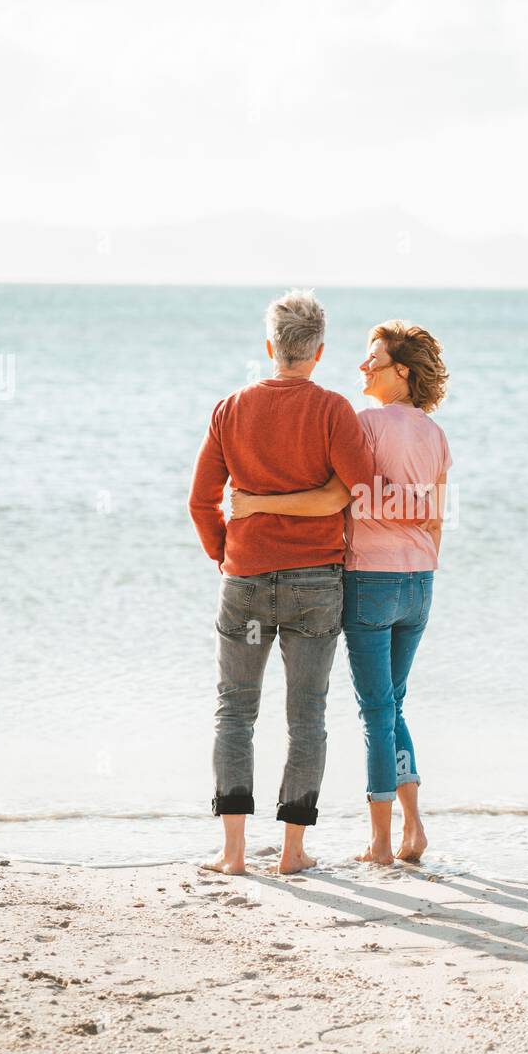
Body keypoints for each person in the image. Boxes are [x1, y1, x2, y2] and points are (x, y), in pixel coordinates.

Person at [231, 321, 451, 865]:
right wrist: (421, 561)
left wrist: (259, 505)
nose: (362, 366)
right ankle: (414, 829)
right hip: (420, 583)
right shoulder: (434, 434)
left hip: (370, 580)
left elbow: (341, 497)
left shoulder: (366, 424)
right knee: (395, 705)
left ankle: (380, 840)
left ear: (401, 371)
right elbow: (437, 518)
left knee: (376, 709)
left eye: (373, 358)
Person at [187, 289, 377, 877]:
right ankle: (293, 852)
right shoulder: (333, 411)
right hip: (317, 584)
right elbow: (361, 488)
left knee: (235, 712)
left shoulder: (231, 409)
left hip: (244, 581)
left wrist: (228, 552)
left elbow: (200, 502)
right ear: (318, 352)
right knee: (307, 716)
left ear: (271, 347)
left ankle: (234, 853)